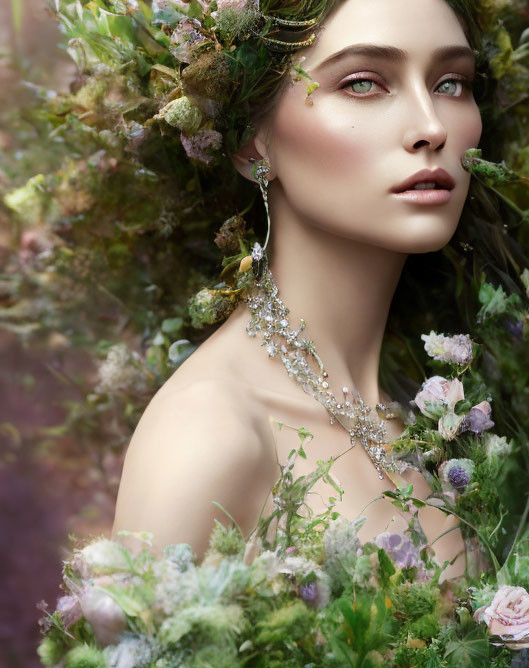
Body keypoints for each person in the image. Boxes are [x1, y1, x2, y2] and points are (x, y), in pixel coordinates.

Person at [111, 0, 486, 581]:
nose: (432, 126)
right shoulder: (212, 435)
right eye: (363, 83)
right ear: (250, 141)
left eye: (450, 83)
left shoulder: (436, 409)